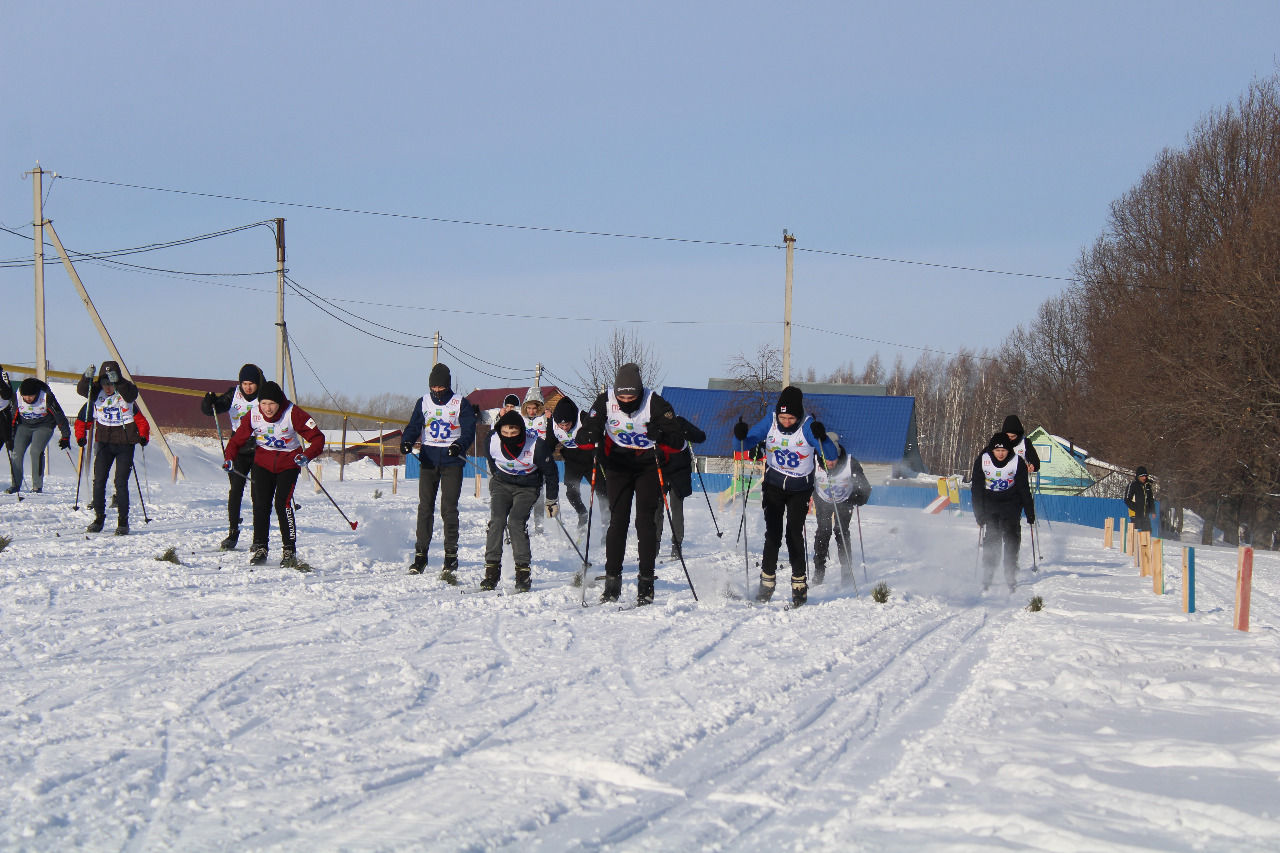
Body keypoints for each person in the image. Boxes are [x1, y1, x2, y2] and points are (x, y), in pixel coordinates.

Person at [579, 362, 683, 605]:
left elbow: (677, 441)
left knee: (644, 521)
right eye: (621, 395)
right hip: (618, 464)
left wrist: (662, 435)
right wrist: (591, 434)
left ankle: (646, 583)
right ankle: (612, 583)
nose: (626, 400)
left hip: (647, 465)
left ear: (640, 392)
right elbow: (585, 433)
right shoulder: (605, 400)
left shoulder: (654, 403)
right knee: (618, 521)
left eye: (631, 395)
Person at [734, 386, 837, 606]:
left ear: (798, 416)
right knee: (773, 533)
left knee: (793, 534)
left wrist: (822, 437)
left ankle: (799, 582)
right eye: (783, 417)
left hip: (799, 489)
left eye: (791, 417)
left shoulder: (807, 426)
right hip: (773, 485)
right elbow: (743, 444)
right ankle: (766, 582)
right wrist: (741, 435)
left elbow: (831, 454)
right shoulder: (770, 421)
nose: (786, 421)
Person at [223, 381, 324, 567]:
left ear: (279, 403)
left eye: (272, 404)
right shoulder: (254, 414)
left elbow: (318, 438)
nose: (267, 409)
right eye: (263, 404)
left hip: (288, 463)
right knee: (261, 504)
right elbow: (236, 441)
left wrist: (306, 455)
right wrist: (229, 458)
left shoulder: (293, 413)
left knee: (282, 504)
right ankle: (261, 547)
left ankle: (289, 550)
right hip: (262, 463)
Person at [400, 362, 477, 581]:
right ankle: (420, 555)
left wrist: (459, 445)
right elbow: (414, 426)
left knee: (449, 508)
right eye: (434, 388)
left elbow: (469, 429)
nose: (437, 392)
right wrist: (406, 441)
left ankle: (450, 555)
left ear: (447, 386)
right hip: (428, 460)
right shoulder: (423, 402)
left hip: (452, 461)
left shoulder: (460, 403)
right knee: (425, 508)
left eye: (440, 388)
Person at [482, 409, 559, 591]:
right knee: (497, 521)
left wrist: (551, 500)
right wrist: (497, 480)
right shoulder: (491, 440)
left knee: (515, 522)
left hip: (528, 487)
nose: (509, 437)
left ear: (521, 431)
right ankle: (491, 573)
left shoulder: (536, 446)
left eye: (514, 433)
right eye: (505, 433)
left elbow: (551, 473)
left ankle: (523, 574)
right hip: (502, 484)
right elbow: (492, 463)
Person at [200, 363, 266, 550]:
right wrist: (209, 402)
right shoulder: (234, 394)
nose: (248, 387)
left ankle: (258, 537)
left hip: (260, 447)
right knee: (235, 490)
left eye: (251, 383)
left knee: (257, 493)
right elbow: (212, 409)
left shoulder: (264, 396)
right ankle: (233, 532)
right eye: (244, 383)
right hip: (239, 447)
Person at [77, 362, 147, 534]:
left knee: (120, 482)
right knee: (99, 480)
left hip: (125, 443)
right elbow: (82, 410)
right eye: (104, 384)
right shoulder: (96, 395)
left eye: (110, 384)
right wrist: (86, 378)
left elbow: (140, 416)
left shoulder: (125, 395)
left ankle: (123, 522)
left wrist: (143, 436)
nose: (107, 388)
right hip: (104, 442)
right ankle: (99, 518)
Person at [970, 433, 1036, 592]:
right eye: (997, 450)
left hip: (1011, 503)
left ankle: (1010, 572)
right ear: (992, 450)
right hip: (990, 503)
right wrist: (978, 514)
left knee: (1012, 538)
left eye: (1004, 450)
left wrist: (1029, 511)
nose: (1000, 453)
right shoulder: (983, 461)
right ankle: (988, 573)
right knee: (992, 539)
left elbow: (1023, 489)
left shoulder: (1017, 462)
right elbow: (976, 489)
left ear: (1009, 450)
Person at [812, 432, 871, 586]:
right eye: (826, 459)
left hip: (844, 500)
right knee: (823, 531)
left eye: (833, 459)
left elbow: (865, 487)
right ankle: (819, 572)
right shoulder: (813, 462)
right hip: (823, 499)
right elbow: (805, 479)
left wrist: (858, 498)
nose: (830, 463)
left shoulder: (850, 463)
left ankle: (846, 572)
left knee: (841, 531)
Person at [653, 414, 707, 559]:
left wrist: (686, 432)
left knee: (676, 509)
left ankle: (676, 544)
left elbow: (701, 436)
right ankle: (654, 543)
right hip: (660, 471)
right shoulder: (655, 422)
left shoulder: (680, 422)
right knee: (657, 509)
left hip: (679, 473)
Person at [7, 376, 71, 494]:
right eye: (26, 396)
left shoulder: (46, 397)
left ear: (36, 393)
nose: (28, 398)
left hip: (44, 426)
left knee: (35, 451)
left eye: (31, 396)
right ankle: (15, 484)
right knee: (16, 452)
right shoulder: (17, 397)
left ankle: (37, 486)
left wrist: (65, 436)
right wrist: (9, 436)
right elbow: (12, 417)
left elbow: (59, 416)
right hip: (24, 426)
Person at [547, 396, 603, 531]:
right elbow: (549, 444)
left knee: (602, 492)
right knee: (571, 493)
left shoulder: (582, 418)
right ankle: (582, 513)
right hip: (572, 462)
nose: (565, 428)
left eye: (567, 425)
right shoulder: (553, 425)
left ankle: (607, 522)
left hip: (590, 461)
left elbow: (599, 435)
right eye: (562, 425)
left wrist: (598, 449)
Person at [522, 386, 549, 533]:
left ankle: (539, 525)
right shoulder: (521, 419)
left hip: (540, 460)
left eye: (534, 408)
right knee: (524, 494)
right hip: (525, 460)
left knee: (538, 494)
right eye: (529, 408)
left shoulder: (544, 419)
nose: (531, 411)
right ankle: (522, 522)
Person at [1125, 466, 1156, 533]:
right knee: (1134, 534)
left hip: (1145, 514)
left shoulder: (1147, 485)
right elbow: (1127, 500)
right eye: (1142, 476)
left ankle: (1145, 543)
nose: (1144, 478)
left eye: (1145, 476)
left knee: (1147, 533)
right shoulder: (1132, 485)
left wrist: (1153, 511)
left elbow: (1151, 499)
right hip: (1135, 514)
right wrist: (1136, 508)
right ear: (1138, 476)